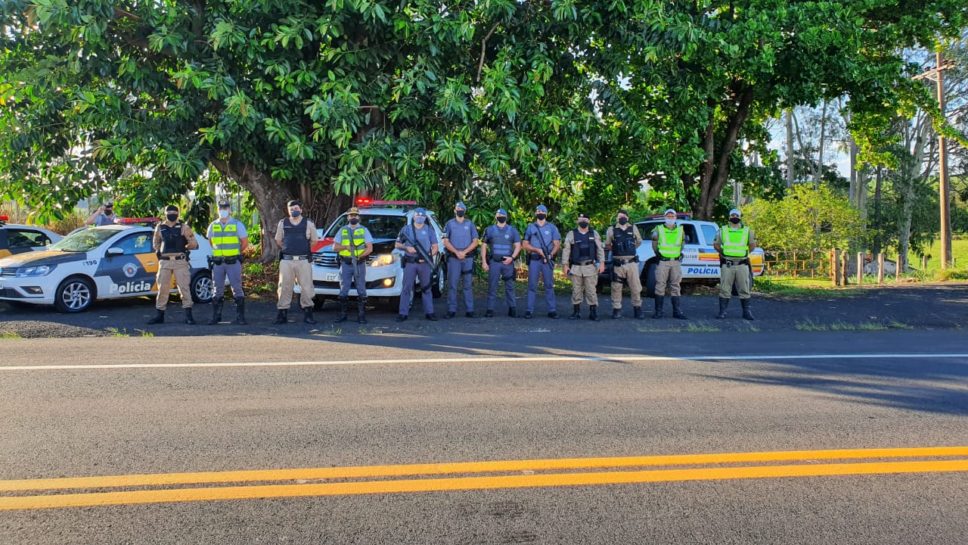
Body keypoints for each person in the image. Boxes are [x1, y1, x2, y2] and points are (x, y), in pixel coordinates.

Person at [147, 205, 199, 325]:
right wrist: (158, 250)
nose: (171, 214)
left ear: (178, 213)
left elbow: (193, 243)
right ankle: (160, 315)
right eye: (169, 212)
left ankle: (189, 316)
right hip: (165, 261)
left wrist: (185, 247)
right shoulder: (160, 227)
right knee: (162, 289)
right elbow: (156, 243)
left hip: (180, 261)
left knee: (184, 288)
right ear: (165, 213)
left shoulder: (184, 227)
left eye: (174, 212)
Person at [273, 200, 319, 325]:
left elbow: (314, 241)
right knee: (284, 287)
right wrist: (289, 248)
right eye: (291, 209)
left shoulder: (308, 223)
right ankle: (282, 314)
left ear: (301, 210)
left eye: (296, 208)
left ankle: (308, 314)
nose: (294, 210)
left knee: (306, 287)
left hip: (303, 260)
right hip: (287, 261)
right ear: (288, 211)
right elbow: (278, 240)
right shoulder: (283, 223)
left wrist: (302, 249)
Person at [206, 200, 249, 325]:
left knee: (237, 288)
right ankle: (216, 317)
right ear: (217, 210)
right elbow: (211, 242)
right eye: (221, 208)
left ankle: (240, 318)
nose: (223, 210)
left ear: (230, 210)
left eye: (226, 208)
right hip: (218, 263)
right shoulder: (212, 225)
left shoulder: (237, 224)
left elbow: (245, 243)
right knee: (217, 289)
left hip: (233, 261)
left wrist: (235, 253)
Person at [395, 207, 439, 322]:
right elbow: (397, 244)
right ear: (414, 217)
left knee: (426, 288)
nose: (420, 217)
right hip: (410, 262)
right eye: (417, 215)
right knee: (406, 288)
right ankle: (403, 313)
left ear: (425, 217)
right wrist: (407, 248)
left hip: (424, 263)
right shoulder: (406, 229)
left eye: (422, 216)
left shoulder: (429, 230)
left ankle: (429, 312)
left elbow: (435, 247)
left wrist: (427, 256)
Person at [713, 208, 758, 320]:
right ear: (729, 217)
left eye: (737, 215)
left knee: (744, 288)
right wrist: (723, 253)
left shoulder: (747, 231)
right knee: (724, 289)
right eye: (733, 215)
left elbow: (752, 244)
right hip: (727, 264)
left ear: (740, 217)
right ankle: (722, 312)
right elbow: (716, 244)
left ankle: (746, 312)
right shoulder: (722, 230)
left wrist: (745, 253)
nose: (735, 217)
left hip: (742, 264)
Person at [333, 207, 373, 324]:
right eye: (351, 215)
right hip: (345, 263)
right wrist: (345, 247)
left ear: (358, 217)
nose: (353, 217)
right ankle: (343, 315)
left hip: (359, 263)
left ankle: (361, 316)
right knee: (344, 289)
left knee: (361, 289)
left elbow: (369, 248)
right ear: (348, 217)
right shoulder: (342, 230)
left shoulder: (364, 230)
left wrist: (359, 257)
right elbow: (334, 247)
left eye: (355, 215)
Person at [562, 213, 605, 320]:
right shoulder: (571, 234)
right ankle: (576, 312)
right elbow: (566, 250)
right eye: (581, 219)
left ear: (589, 221)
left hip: (590, 266)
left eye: (585, 219)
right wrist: (565, 265)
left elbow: (600, 249)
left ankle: (593, 312)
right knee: (576, 290)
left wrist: (602, 263)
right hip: (576, 267)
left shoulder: (594, 233)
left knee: (591, 290)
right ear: (577, 221)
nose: (583, 221)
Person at [522, 204, 561, 319]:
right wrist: (536, 250)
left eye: (542, 211)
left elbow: (557, 244)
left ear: (546, 214)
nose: (540, 213)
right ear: (535, 213)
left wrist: (550, 255)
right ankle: (529, 310)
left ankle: (552, 310)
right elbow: (524, 244)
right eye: (538, 211)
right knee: (532, 286)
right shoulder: (530, 227)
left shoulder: (552, 228)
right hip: (534, 259)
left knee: (549, 285)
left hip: (546, 261)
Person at [480, 208, 521, 318]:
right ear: (495, 217)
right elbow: (483, 246)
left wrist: (512, 258)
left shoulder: (512, 230)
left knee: (510, 287)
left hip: (508, 263)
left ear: (506, 217)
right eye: (498, 215)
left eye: (502, 215)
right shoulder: (489, 230)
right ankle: (490, 310)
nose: (500, 216)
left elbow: (518, 246)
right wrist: (484, 262)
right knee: (492, 286)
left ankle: (512, 309)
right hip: (494, 263)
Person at [605, 209, 644, 319]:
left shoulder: (633, 228)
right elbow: (608, 244)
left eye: (623, 216)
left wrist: (630, 249)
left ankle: (638, 309)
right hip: (618, 263)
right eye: (619, 216)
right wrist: (617, 249)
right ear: (617, 218)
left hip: (631, 263)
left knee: (635, 287)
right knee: (616, 287)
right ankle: (616, 309)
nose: (621, 218)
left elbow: (639, 241)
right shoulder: (611, 229)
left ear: (627, 218)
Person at [442, 201, 480, 318]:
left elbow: (475, 241)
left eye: (462, 208)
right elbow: (445, 241)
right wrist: (456, 252)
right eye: (458, 208)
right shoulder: (449, 224)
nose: (460, 210)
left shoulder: (470, 224)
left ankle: (470, 310)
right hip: (454, 258)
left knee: (467, 285)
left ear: (465, 210)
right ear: (454, 210)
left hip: (467, 258)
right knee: (453, 285)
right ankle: (451, 310)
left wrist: (464, 252)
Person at [651, 209, 687, 319]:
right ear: (664, 217)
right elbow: (655, 245)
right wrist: (659, 255)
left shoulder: (681, 230)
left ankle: (677, 312)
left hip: (676, 262)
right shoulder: (658, 229)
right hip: (663, 261)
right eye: (668, 216)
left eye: (672, 216)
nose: (670, 218)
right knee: (660, 285)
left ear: (675, 217)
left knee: (676, 286)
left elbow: (682, 244)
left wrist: (677, 254)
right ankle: (659, 312)